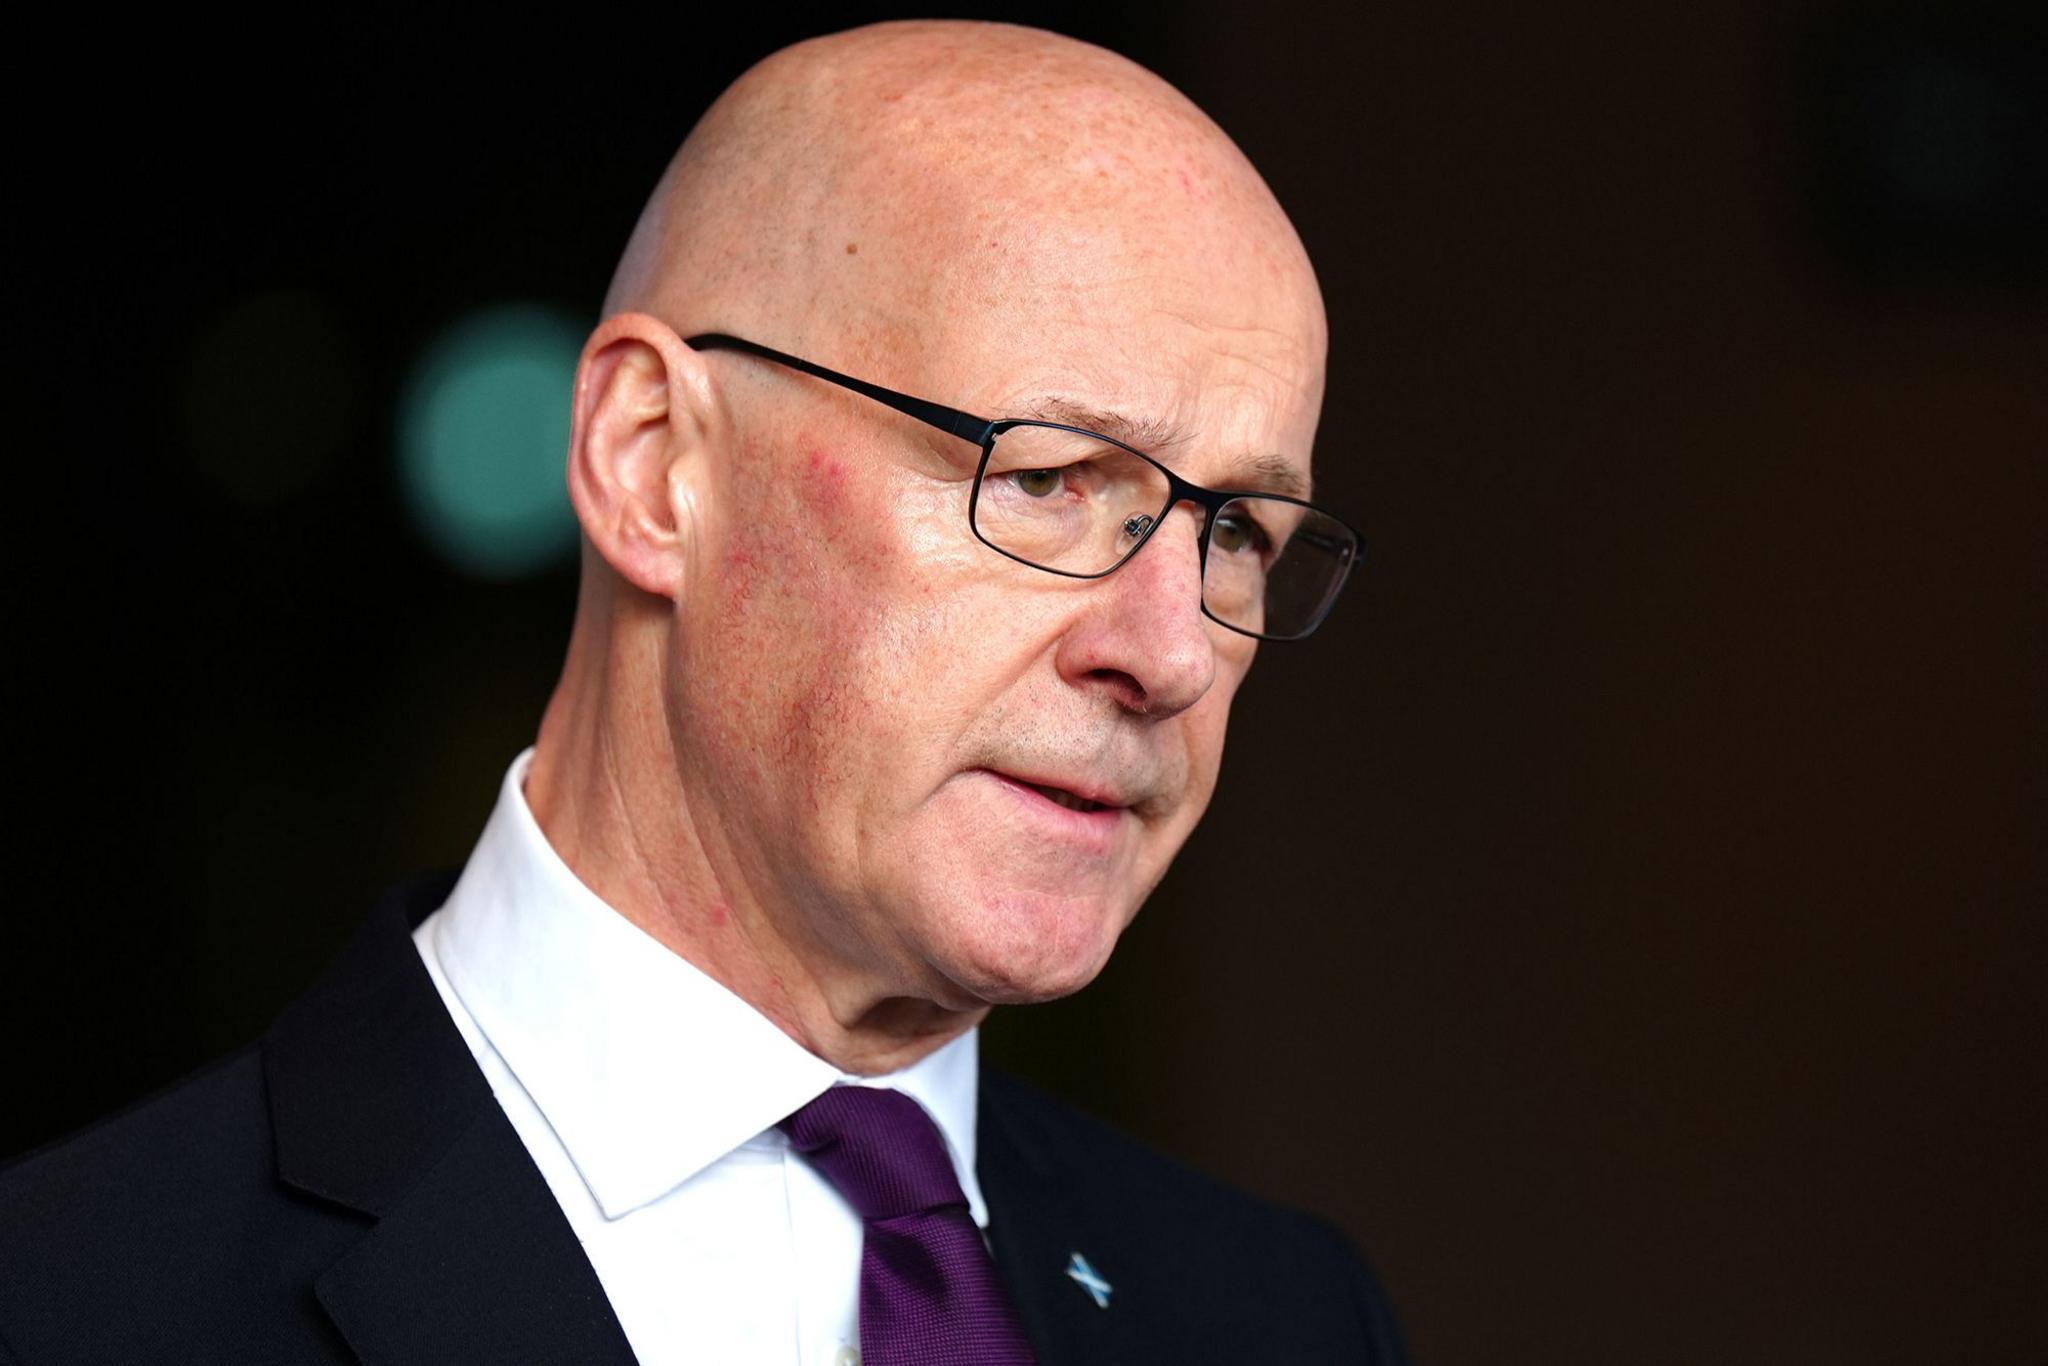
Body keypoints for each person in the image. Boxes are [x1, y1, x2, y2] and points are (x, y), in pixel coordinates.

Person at [0, 20, 1404, 1366]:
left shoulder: (1286, 1315)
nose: (1166, 653)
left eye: (1237, 534)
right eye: (1046, 479)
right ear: (652, 457)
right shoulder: (68, 1306)